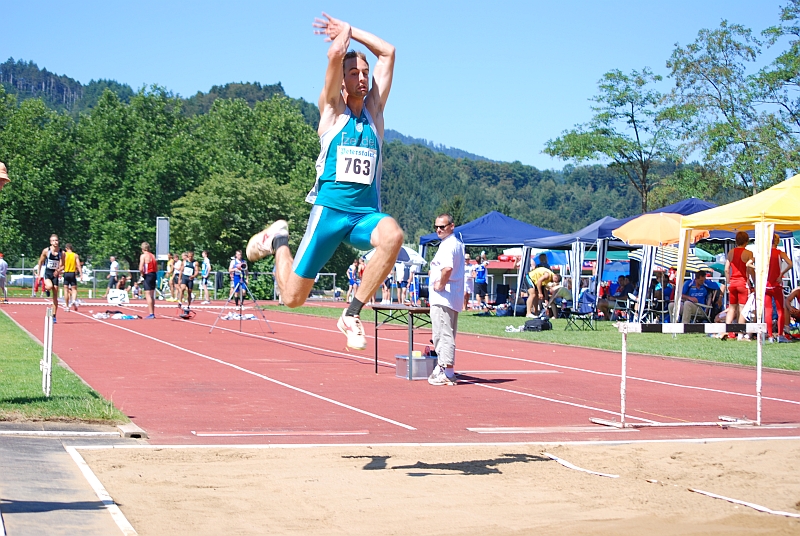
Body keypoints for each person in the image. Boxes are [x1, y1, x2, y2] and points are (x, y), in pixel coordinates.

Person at [246, 13, 402, 351]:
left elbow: (388, 52)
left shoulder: (374, 113)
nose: (362, 78)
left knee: (394, 236)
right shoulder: (332, 110)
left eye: (365, 73)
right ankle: (278, 241)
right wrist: (342, 37)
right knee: (292, 298)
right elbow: (334, 55)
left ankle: (351, 314)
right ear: (342, 83)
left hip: (363, 216)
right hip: (329, 214)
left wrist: (353, 30)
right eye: (353, 74)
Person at [427, 214, 464, 386]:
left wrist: (440, 284)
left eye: (442, 226)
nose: (438, 230)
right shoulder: (454, 244)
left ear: (452, 226)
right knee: (443, 333)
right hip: (450, 297)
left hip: (444, 298)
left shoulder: (449, 245)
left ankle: (447, 371)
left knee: (443, 334)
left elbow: (447, 268)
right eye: (436, 227)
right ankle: (443, 368)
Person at [764, 233, 793, 343]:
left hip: (767, 285)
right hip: (777, 285)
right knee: (780, 310)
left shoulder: (764, 254)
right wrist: (781, 274)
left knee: (768, 310)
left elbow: (750, 263)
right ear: (777, 241)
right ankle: (780, 335)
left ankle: (770, 335)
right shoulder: (780, 253)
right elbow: (790, 264)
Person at [724, 231, 755, 337]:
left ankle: (727, 331)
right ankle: (740, 333)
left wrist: (728, 282)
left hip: (732, 283)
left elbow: (726, 269)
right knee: (743, 308)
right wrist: (754, 283)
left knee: (731, 307)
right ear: (746, 241)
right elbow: (750, 270)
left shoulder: (731, 252)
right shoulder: (749, 253)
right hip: (743, 283)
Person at [37, 234, 64, 323]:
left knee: (55, 296)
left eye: (56, 240)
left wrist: (59, 270)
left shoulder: (61, 252)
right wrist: (38, 273)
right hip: (48, 273)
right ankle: (46, 289)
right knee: (49, 286)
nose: (55, 242)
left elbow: (63, 265)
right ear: (50, 242)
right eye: (53, 240)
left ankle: (54, 315)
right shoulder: (46, 251)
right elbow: (40, 261)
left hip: (55, 274)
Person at [139, 242, 158, 319]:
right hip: (153, 274)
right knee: (152, 294)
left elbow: (141, 268)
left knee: (147, 294)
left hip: (148, 274)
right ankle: (152, 312)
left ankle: (151, 313)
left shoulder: (143, 256)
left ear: (143, 249)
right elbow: (156, 267)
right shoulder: (153, 256)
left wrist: (142, 274)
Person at [62, 244, 82, 311]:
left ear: (66, 248)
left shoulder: (64, 254)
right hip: (72, 273)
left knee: (66, 289)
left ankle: (67, 306)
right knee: (74, 289)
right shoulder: (75, 255)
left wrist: (59, 271)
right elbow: (78, 265)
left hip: (66, 273)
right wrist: (81, 274)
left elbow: (61, 264)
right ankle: (73, 300)